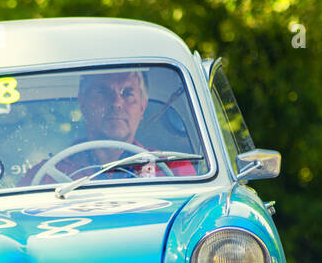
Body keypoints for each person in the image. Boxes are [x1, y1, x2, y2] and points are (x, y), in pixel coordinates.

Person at [21, 69, 195, 186]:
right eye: (102, 92)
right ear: (83, 103)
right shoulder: (48, 175)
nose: (117, 103)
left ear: (142, 106)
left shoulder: (174, 169)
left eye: (128, 93)